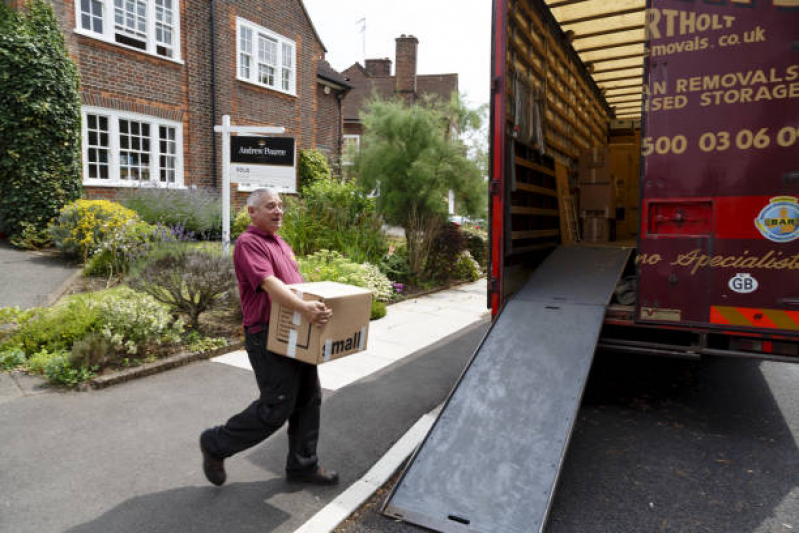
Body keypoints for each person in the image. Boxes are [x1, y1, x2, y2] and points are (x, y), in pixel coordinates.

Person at [199, 187, 339, 486]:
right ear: (252, 212)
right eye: (269, 206)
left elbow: (294, 284)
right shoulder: (249, 243)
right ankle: (216, 443)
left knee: (308, 399)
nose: (278, 211)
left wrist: (314, 306)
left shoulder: (281, 243)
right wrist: (304, 307)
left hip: (293, 332)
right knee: (277, 406)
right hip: (266, 335)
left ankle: (303, 465)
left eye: (279, 205)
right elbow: (270, 283)